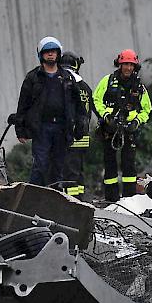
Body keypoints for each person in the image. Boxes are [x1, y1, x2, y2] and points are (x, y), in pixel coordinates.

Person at [13, 36, 85, 187]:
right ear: (41, 54)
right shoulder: (33, 78)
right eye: (47, 52)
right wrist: (20, 130)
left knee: (58, 166)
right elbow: (23, 105)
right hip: (41, 128)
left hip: (61, 128)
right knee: (40, 165)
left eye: (53, 51)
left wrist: (80, 126)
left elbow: (78, 105)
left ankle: (55, 199)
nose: (50, 54)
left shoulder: (67, 78)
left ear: (58, 54)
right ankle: (33, 195)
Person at [93, 49, 152, 202]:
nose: (128, 68)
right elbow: (96, 100)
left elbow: (147, 109)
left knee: (129, 165)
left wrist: (136, 122)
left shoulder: (139, 87)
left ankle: (129, 200)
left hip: (129, 130)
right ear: (119, 64)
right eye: (125, 64)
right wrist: (106, 117)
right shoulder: (108, 81)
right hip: (110, 128)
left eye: (131, 65)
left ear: (135, 66)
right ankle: (111, 199)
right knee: (110, 163)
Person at [58, 51, 92, 199]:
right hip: (83, 137)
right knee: (78, 172)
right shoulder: (85, 86)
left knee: (69, 174)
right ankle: (80, 201)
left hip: (69, 136)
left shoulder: (64, 84)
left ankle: (72, 203)